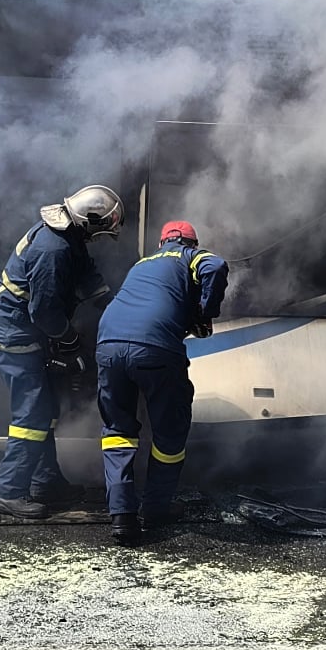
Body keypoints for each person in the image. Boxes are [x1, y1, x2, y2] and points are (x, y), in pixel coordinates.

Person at [0, 185, 121, 520]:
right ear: (89, 222)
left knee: (45, 410)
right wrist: (70, 340)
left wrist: (112, 305)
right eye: (100, 233)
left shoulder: (68, 235)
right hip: (12, 337)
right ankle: (9, 492)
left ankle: (47, 483)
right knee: (32, 416)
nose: (98, 239)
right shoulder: (52, 250)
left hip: (26, 332)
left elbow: (86, 274)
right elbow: (44, 313)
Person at [94, 221, 229, 546]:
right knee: (170, 430)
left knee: (118, 432)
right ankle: (155, 508)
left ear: (160, 242)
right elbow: (217, 265)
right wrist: (205, 311)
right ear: (191, 242)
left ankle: (123, 516)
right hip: (154, 347)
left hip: (108, 343)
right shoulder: (190, 257)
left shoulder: (142, 264)